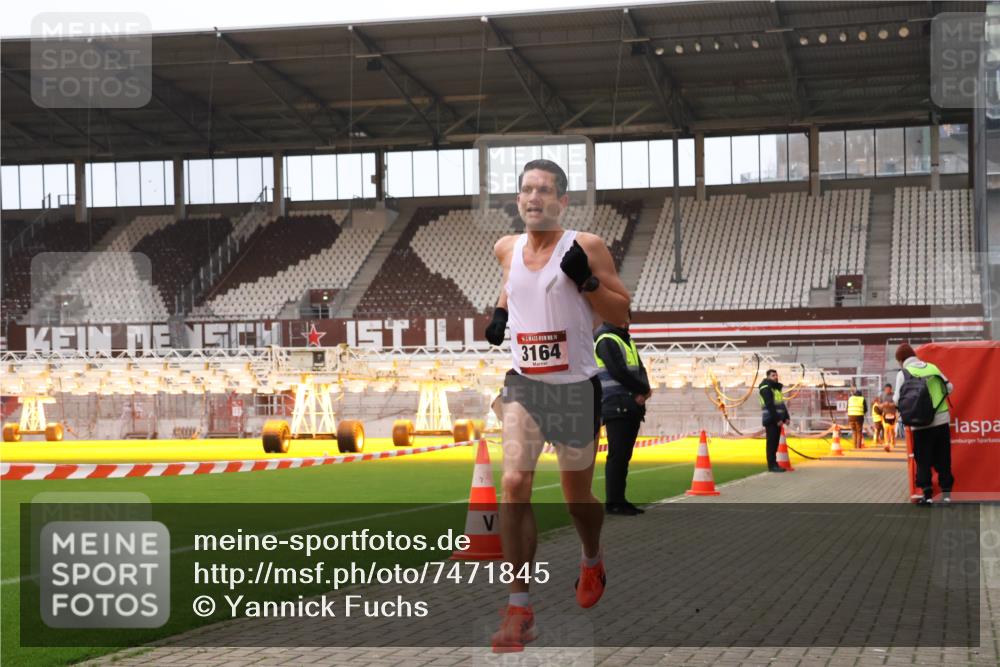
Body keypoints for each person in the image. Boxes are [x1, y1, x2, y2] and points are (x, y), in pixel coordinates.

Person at [484, 159, 631, 652]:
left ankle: (591, 557)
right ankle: (519, 610)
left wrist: (587, 283)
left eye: (544, 190)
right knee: (513, 483)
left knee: (576, 500)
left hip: (574, 387)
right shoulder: (506, 248)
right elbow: (512, 283)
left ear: (562, 201)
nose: (534, 197)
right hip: (525, 383)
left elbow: (622, 314)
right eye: (527, 189)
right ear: (517, 199)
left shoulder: (586, 246)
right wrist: (500, 313)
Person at [594, 314, 651, 516]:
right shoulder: (606, 338)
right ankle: (614, 503)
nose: (627, 320)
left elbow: (640, 368)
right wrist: (641, 390)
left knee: (623, 456)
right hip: (617, 403)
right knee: (618, 455)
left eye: (628, 315)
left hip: (628, 404)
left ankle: (620, 500)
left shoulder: (625, 338)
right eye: (623, 315)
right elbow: (618, 371)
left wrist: (645, 390)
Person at [893, 343, 954, 504]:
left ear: (901, 360)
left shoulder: (903, 374)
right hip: (941, 420)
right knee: (943, 459)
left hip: (920, 423)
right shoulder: (932, 367)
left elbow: (897, 400)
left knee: (923, 460)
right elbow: (950, 387)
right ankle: (946, 495)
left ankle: (927, 496)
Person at [758, 369, 790, 473]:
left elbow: (781, 404)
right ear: (768, 377)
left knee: (775, 443)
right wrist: (777, 419)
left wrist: (786, 417)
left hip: (777, 420)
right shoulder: (766, 388)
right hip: (771, 420)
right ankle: (772, 465)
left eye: (776, 375)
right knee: (771, 444)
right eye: (773, 375)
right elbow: (769, 405)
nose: (776, 377)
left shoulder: (775, 389)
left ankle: (774, 464)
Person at [880, 384, 898, 452]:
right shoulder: (882, 395)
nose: (887, 390)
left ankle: (893, 441)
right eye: (886, 389)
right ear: (885, 389)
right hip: (885, 414)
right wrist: (883, 404)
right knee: (886, 429)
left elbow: (896, 404)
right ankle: (886, 443)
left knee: (892, 430)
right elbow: (879, 405)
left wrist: (889, 404)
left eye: (889, 389)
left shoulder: (894, 396)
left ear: (891, 389)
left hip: (893, 415)